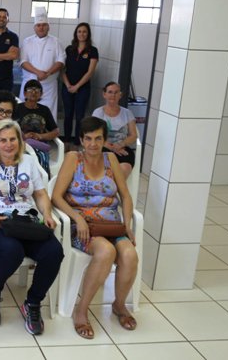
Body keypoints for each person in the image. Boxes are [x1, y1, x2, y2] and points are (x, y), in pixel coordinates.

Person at [0, 119, 63, 334]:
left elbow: (40, 193)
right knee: (12, 251)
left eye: (13, 139)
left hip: (25, 221)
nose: (8, 144)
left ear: (19, 141)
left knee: (54, 252)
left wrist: (47, 214)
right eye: (3, 140)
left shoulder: (28, 162)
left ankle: (33, 302)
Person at [51, 116, 137, 339]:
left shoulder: (111, 160)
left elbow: (125, 196)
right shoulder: (73, 158)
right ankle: (81, 309)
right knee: (106, 252)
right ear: (81, 139)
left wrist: (127, 225)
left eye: (98, 139)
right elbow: (57, 197)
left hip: (111, 224)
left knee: (129, 254)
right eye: (88, 139)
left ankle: (119, 305)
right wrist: (77, 218)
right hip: (83, 226)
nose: (93, 144)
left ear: (105, 140)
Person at [19, 7, 65, 119]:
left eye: (44, 25)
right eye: (38, 25)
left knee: (48, 115)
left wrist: (47, 73)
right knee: (25, 114)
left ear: (48, 27)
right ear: (34, 27)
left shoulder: (56, 41)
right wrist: (38, 72)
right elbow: (23, 62)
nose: (41, 28)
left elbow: (61, 61)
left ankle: (48, 136)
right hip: (29, 85)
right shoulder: (27, 41)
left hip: (49, 87)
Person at [62, 23, 99, 144]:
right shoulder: (69, 49)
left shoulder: (92, 51)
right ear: (75, 33)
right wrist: (68, 85)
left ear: (88, 34)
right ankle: (66, 142)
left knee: (80, 117)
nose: (81, 34)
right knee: (67, 115)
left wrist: (77, 86)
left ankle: (78, 143)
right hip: (67, 87)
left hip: (83, 89)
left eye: (84, 32)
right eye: (79, 31)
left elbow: (90, 72)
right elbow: (62, 69)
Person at [91, 82, 137, 179]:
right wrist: (111, 147)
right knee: (102, 170)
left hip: (122, 149)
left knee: (123, 169)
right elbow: (93, 134)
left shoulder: (127, 113)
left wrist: (120, 145)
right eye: (110, 92)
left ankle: (113, 191)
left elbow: (133, 135)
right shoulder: (98, 113)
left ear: (120, 95)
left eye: (116, 92)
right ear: (104, 94)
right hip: (102, 147)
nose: (113, 95)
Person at [16, 80, 60, 176]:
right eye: (30, 89)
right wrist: (24, 136)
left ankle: (43, 182)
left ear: (41, 94)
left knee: (41, 157)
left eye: (37, 90)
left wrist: (40, 136)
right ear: (24, 93)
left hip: (40, 144)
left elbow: (56, 131)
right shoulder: (17, 108)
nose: (34, 92)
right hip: (21, 144)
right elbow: (10, 127)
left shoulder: (45, 110)